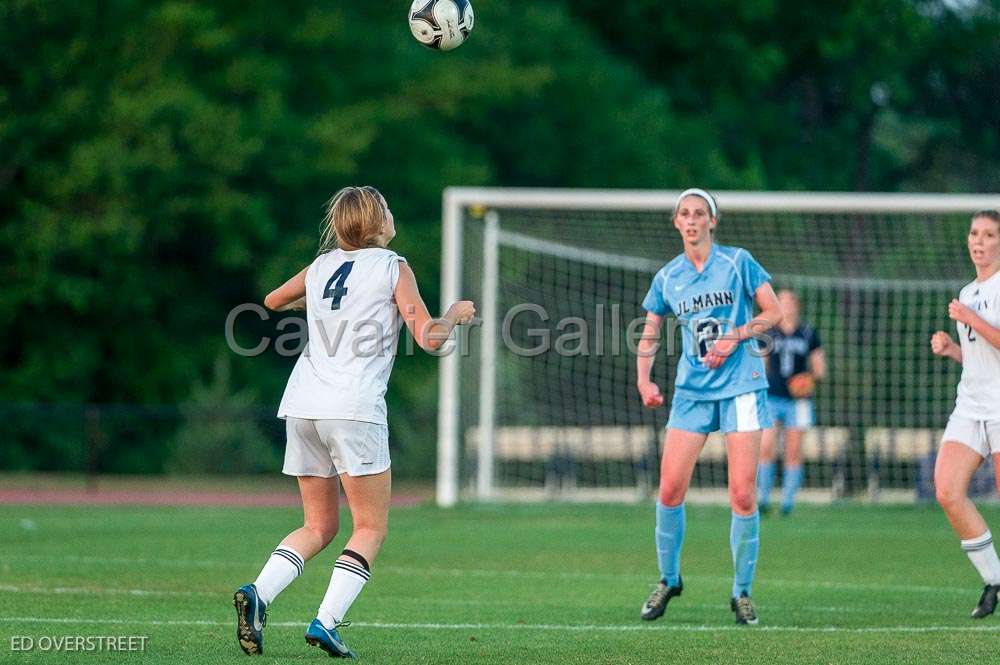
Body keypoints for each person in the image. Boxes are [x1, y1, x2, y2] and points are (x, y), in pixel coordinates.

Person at [233, 186, 475, 657]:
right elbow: (429, 338)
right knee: (369, 527)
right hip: (353, 407)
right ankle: (326, 622)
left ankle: (259, 593)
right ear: (375, 223)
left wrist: (325, 309)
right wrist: (455, 314)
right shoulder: (392, 265)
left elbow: (273, 299)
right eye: (387, 207)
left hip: (302, 404)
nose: (391, 213)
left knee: (318, 525)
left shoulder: (322, 266)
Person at [636, 188, 782, 625]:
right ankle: (668, 579)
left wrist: (734, 336)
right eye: (685, 213)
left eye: (700, 213)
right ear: (676, 222)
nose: (693, 219)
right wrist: (644, 379)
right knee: (669, 490)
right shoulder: (667, 277)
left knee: (742, 493)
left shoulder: (738, 262)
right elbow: (650, 332)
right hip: (692, 393)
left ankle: (742, 592)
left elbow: (773, 312)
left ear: (712, 222)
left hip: (741, 387)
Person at [930, 209, 1000, 620]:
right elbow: (981, 359)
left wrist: (970, 319)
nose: (979, 241)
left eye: (989, 234)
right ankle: (993, 578)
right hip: (971, 405)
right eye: (974, 233)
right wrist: (953, 349)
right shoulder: (967, 291)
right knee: (947, 491)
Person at [757, 289, 825, 516]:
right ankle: (762, 499)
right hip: (772, 396)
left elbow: (819, 369)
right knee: (765, 447)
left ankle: (787, 504)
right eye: (781, 302)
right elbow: (761, 364)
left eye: (789, 302)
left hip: (798, 401)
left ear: (797, 305)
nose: (785, 306)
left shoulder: (807, 333)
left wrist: (808, 379)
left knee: (793, 451)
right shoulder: (769, 331)